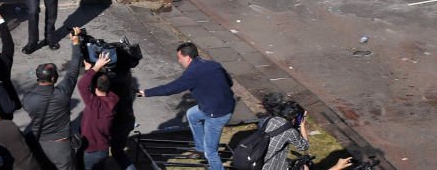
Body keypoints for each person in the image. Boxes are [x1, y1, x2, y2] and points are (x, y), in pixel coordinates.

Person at [138, 42, 235, 170]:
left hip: (216, 114)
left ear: (188, 57)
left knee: (210, 151)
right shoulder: (212, 64)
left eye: (180, 58)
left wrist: (146, 93)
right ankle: (200, 148)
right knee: (192, 115)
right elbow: (230, 82)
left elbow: (170, 88)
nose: (179, 61)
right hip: (224, 104)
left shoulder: (193, 73)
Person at [23, 28, 83, 170]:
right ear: (53, 78)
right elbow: (74, 69)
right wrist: (75, 43)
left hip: (40, 145)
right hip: (61, 147)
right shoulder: (62, 93)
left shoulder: (28, 99)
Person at [77, 49, 118, 170]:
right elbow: (91, 87)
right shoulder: (113, 99)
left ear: (94, 87)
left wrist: (95, 67)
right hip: (103, 149)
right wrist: (93, 70)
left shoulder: (94, 104)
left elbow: (82, 85)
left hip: (91, 151)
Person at [256, 93, 311, 170]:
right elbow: (304, 146)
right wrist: (302, 125)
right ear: (294, 118)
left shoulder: (269, 120)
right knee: (305, 168)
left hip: (255, 160)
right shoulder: (290, 132)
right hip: (270, 166)